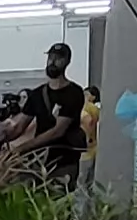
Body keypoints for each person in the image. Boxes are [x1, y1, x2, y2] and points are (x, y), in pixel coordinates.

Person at [8, 41, 92, 180]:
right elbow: (19, 125)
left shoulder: (74, 93)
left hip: (64, 162)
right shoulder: (37, 94)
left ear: (67, 62)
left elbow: (58, 131)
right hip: (39, 162)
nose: (53, 62)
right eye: (50, 58)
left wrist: (22, 148)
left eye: (58, 58)